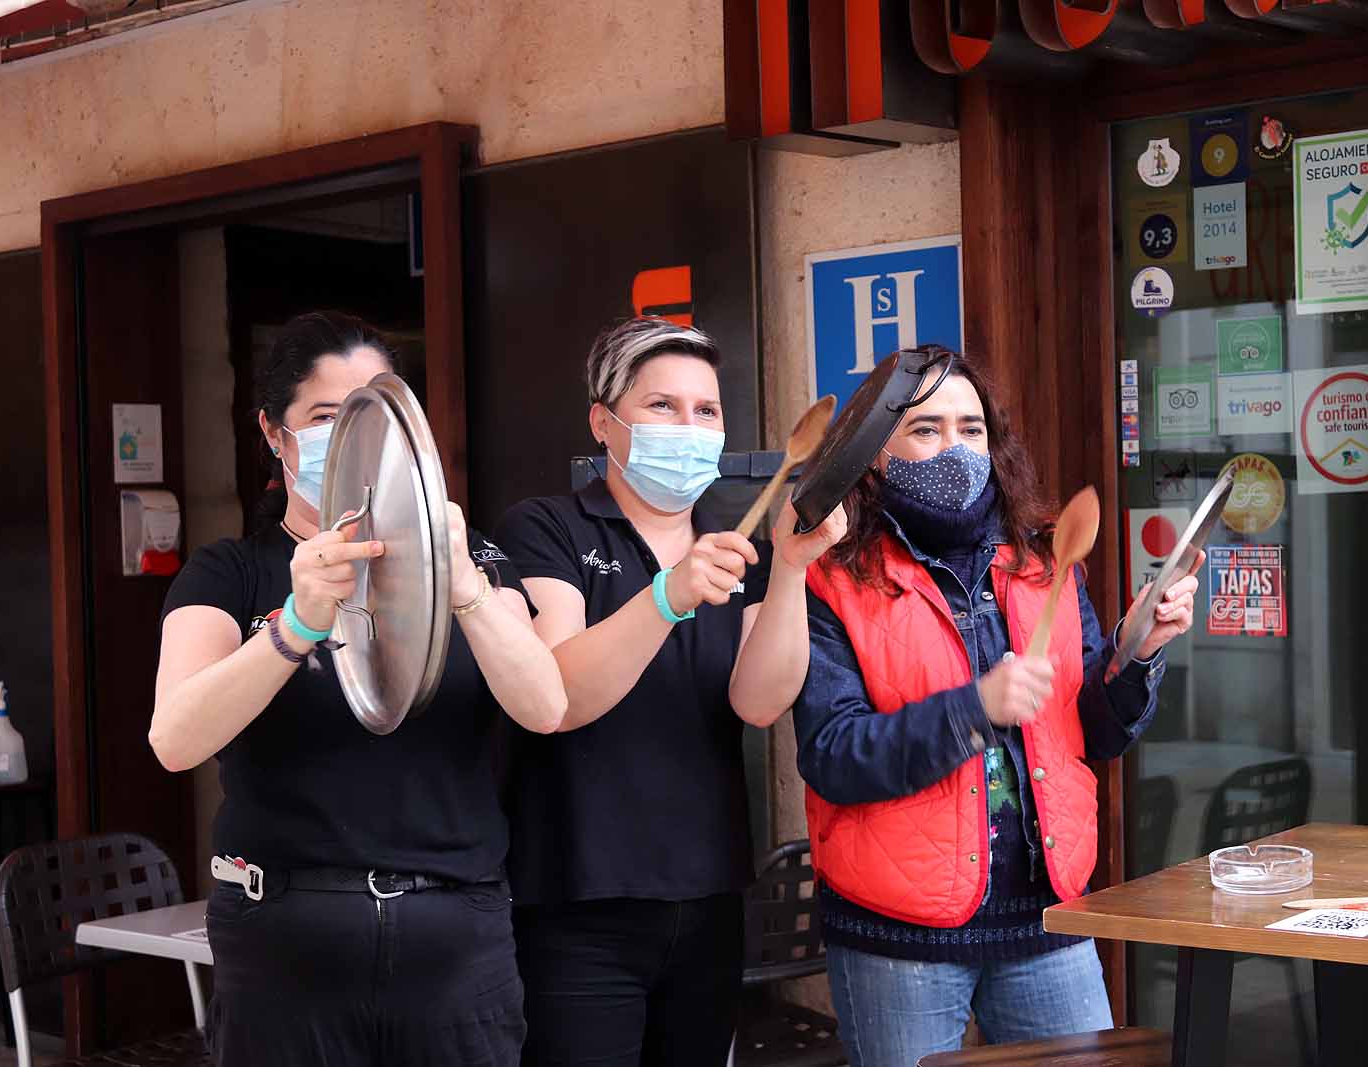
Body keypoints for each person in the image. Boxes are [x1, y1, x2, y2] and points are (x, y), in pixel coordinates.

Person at [150, 311, 566, 1066]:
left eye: (367, 409)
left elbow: (544, 704)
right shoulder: (230, 571)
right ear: (275, 434)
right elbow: (174, 739)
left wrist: (465, 586)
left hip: (455, 936)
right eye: (323, 415)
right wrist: (295, 626)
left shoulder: (468, 556)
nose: (348, 436)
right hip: (284, 936)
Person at [792, 346, 1201, 1067]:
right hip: (897, 932)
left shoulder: (1043, 559)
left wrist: (1138, 651)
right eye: (926, 429)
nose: (956, 448)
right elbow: (832, 755)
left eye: (972, 429)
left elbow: (1094, 733)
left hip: (1047, 914)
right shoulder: (830, 575)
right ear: (875, 452)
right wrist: (972, 708)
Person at [494, 317, 847, 1067]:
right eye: (662, 406)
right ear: (604, 421)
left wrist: (789, 567)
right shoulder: (548, 527)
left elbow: (760, 701)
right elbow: (557, 691)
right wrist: (667, 596)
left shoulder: (733, 544)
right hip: (576, 902)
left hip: (709, 894)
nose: (688, 427)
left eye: (706, 411)